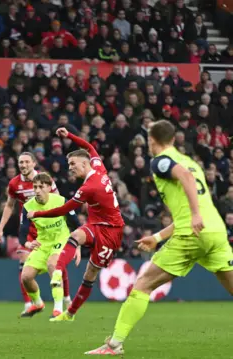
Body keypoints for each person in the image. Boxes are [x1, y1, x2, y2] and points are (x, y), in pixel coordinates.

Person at [85, 120, 233, 355]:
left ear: (151, 141)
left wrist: (194, 214)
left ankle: (114, 344)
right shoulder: (190, 161)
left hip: (192, 234)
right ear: (174, 139)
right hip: (215, 231)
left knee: (143, 285)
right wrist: (158, 236)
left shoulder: (161, 161)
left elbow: (185, 179)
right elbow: (187, 202)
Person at [28, 127, 125, 322]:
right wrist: (70, 136)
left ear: (84, 164)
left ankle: (70, 313)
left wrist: (37, 213)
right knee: (75, 236)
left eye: (72, 164)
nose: (70, 167)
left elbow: (63, 209)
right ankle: (56, 273)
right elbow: (89, 146)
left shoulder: (89, 187)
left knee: (90, 275)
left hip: (112, 231)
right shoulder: (98, 167)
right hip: (96, 224)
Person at [0, 152, 71, 316]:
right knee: (24, 269)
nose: (23, 165)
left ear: (34, 163)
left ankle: (64, 298)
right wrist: (0, 228)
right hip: (29, 228)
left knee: (54, 264)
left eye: (26, 162)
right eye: (20, 162)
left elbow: (57, 201)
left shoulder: (44, 179)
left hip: (50, 227)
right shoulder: (15, 184)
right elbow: (9, 206)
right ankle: (33, 303)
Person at [19, 173, 81, 318]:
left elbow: (76, 224)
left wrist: (77, 246)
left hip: (61, 240)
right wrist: (28, 243)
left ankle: (58, 309)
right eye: (35, 187)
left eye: (41, 187)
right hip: (43, 243)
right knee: (26, 277)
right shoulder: (28, 207)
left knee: (52, 265)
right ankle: (38, 303)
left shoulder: (61, 201)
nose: (37, 190)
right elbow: (22, 232)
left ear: (49, 187)